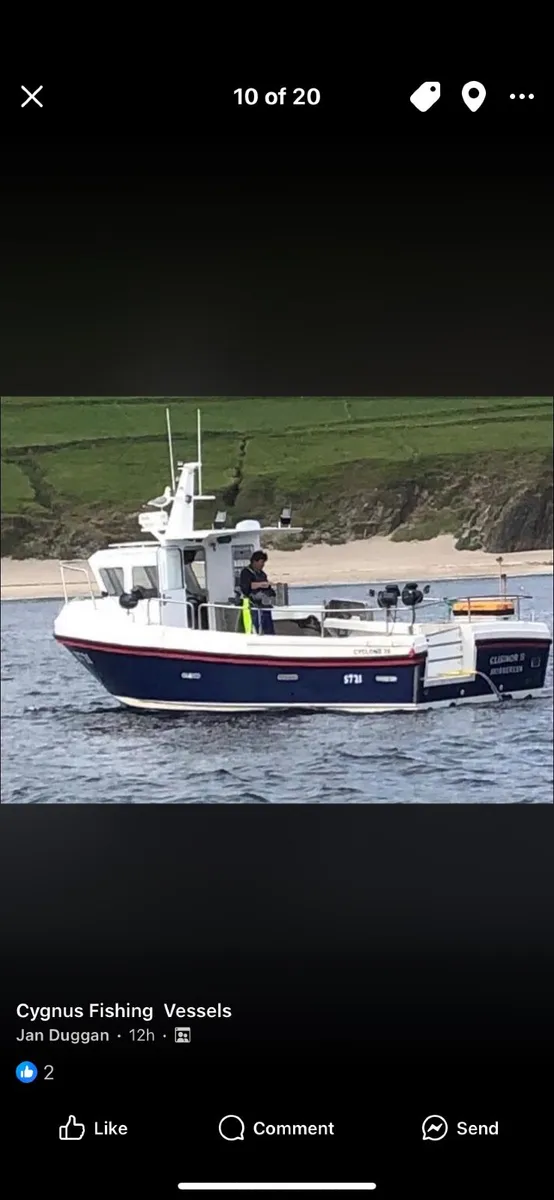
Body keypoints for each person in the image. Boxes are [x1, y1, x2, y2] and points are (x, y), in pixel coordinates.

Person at [239, 551, 276, 634]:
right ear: (255, 561)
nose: (263, 565)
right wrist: (261, 584)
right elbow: (245, 587)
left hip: (264, 605)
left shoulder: (262, 574)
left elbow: (268, 588)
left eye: (264, 563)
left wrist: (271, 593)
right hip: (251, 605)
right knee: (254, 626)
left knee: (268, 628)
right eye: (261, 562)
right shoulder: (245, 572)